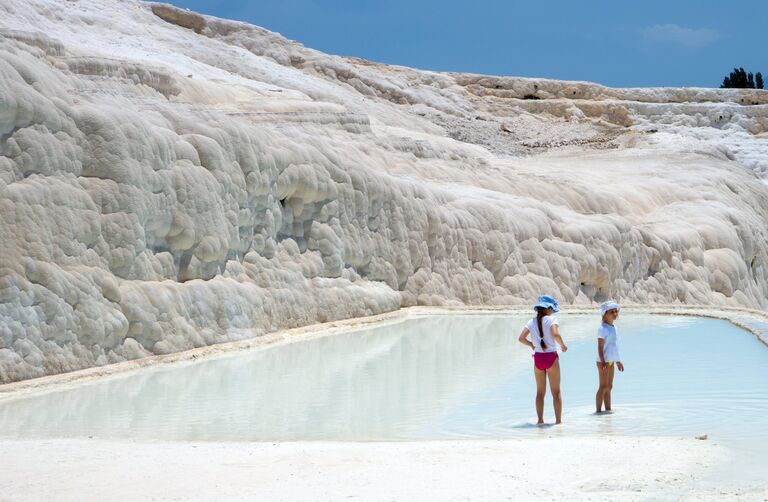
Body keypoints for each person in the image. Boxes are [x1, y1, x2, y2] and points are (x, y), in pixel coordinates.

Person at [518, 295, 568, 425]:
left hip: (538, 358)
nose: (553, 311)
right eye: (552, 309)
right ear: (548, 308)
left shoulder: (530, 322)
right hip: (551, 357)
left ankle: (540, 420)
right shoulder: (551, 320)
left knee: (540, 392)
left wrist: (531, 345)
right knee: (556, 392)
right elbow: (556, 334)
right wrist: (563, 346)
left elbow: (521, 338)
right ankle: (558, 422)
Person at [595, 300, 624, 414]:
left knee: (609, 387)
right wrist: (602, 362)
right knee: (603, 387)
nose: (615, 314)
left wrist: (618, 361)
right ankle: (598, 412)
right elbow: (600, 347)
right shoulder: (603, 328)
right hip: (603, 361)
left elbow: (614, 347)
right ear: (604, 314)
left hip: (611, 361)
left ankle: (608, 412)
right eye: (612, 311)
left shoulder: (614, 328)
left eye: (616, 311)